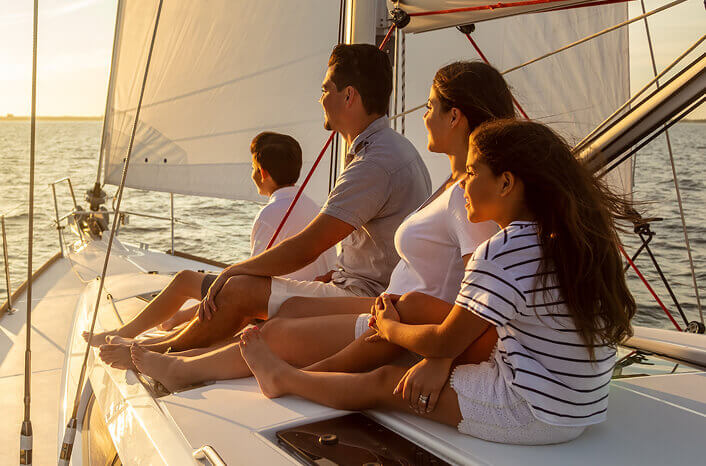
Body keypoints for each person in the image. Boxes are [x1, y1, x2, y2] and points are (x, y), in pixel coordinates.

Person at [212, 118, 637, 445]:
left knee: (383, 383)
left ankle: (285, 380)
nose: (462, 184)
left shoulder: (504, 249)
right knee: (415, 305)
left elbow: (443, 343)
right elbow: (476, 327)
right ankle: (313, 370)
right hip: (579, 405)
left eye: (472, 173)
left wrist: (389, 327)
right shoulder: (567, 238)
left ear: (506, 183)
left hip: (532, 410)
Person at [128, 61, 516, 390]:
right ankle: (191, 355)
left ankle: (184, 368)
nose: (423, 113)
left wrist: (440, 355)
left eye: (431, 105)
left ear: (455, 116)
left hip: (407, 319)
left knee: (271, 324)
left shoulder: (467, 194)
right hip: (393, 305)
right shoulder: (449, 184)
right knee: (291, 310)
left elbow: (478, 290)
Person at [96, 43, 432, 367]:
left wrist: (235, 269)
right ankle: (155, 346)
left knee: (238, 288)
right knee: (240, 289)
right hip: (366, 288)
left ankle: (162, 352)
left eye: (325, 89)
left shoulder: (374, 162)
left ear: (349, 96)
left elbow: (308, 246)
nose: (320, 98)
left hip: (369, 298)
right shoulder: (391, 150)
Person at [84, 132, 337, 341]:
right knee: (216, 285)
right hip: (307, 300)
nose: (251, 175)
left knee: (185, 280)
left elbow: (249, 286)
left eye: (252, 168)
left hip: (276, 304)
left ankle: (124, 333)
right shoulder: (315, 207)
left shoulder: (270, 214)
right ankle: (176, 318)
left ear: (263, 173)